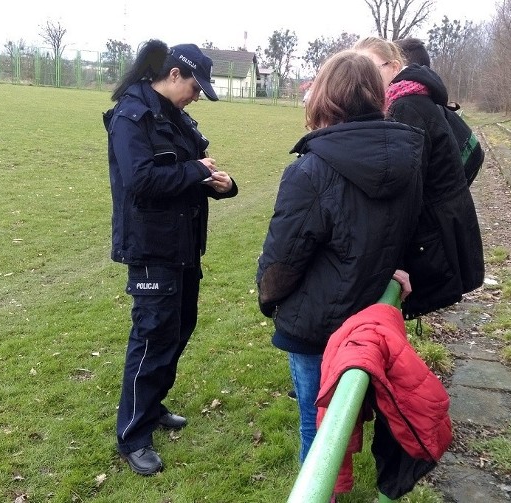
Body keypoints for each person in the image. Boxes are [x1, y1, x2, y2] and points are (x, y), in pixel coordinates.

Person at [256, 49, 425, 497]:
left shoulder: (311, 170)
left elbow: (282, 260)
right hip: (368, 318)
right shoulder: (408, 159)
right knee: (345, 412)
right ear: (377, 96)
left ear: (324, 96)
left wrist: (269, 299)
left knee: (318, 423)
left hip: (318, 327)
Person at [103, 39, 238, 475]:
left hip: (183, 243)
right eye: (196, 87)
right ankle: (133, 436)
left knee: (179, 327)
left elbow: (189, 168)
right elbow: (141, 180)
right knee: (153, 335)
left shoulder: (176, 117)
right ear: (174, 74)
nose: (197, 96)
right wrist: (197, 171)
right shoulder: (131, 116)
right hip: (151, 245)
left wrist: (222, 183)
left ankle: (152, 405)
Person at [354, 37, 484, 321]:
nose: (363, 79)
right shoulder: (416, 99)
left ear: (395, 66)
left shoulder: (406, 107)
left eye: (371, 69)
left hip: (432, 240)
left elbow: (404, 189)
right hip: (440, 231)